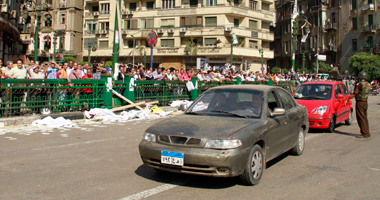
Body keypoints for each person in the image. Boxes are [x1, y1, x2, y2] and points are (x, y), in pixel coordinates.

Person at [345, 71, 371, 138]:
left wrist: (347, 99)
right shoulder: (368, 84)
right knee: (365, 117)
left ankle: (364, 133)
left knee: (360, 118)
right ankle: (367, 132)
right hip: (365, 102)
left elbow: (355, 93)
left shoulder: (359, 84)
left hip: (360, 102)